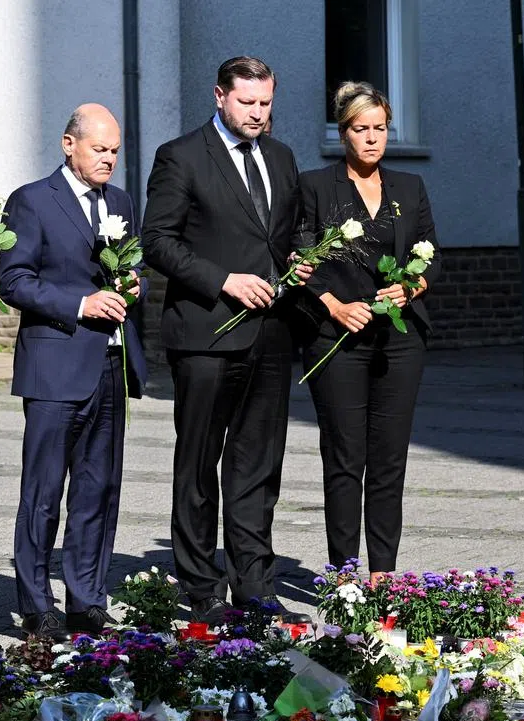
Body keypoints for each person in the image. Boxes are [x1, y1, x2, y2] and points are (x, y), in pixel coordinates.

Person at [142, 57, 311, 625]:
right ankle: (201, 587)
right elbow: (157, 241)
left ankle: (255, 585)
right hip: (205, 334)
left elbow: (288, 232)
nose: (258, 113)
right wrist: (223, 281)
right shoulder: (181, 156)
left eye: (266, 103)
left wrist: (298, 261)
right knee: (198, 466)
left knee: (258, 466)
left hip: (271, 334)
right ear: (220, 96)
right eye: (247, 102)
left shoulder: (281, 157)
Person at [0, 104, 147, 641]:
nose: (109, 159)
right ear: (69, 144)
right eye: (98, 149)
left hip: (109, 364)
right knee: (43, 493)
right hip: (55, 367)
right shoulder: (32, 200)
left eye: (115, 151)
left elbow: (134, 266)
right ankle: (37, 606)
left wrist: (134, 285)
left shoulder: (121, 202)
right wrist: (82, 305)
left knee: (98, 490)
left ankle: (86, 600)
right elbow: (13, 280)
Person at [296, 81, 439, 583]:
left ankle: (382, 576)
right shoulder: (316, 186)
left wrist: (413, 285)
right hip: (338, 341)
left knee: (388, 460)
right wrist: (334, 306)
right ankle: (344, 577)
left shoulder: (409, 187)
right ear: (343, 133)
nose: (373, 138)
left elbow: (432, 255)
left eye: (380, 128)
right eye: (362, 129)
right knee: (344, 458)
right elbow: (299, 260)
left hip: (399, 342)